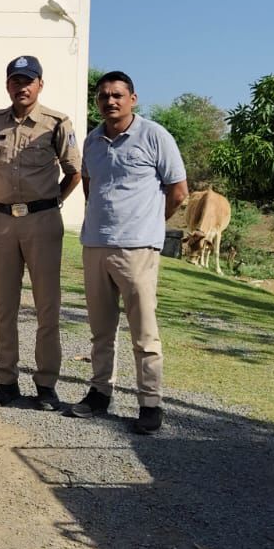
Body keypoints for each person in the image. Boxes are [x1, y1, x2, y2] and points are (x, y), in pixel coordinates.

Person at [67, 71, 189, 434]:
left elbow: (178, 191)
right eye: (103, 96)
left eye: (117, 95)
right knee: (101, 329)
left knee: (144, 332)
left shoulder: (154, 136)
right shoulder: (92, 140)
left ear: (133, 99)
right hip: (96, 245)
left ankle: (150, 403)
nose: (110, 101)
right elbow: (90, 187)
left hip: (137, 248)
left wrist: (150, 225)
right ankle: (99, 392)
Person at [0, 54, 83, 411]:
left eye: (28, 81)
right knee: (3, 306)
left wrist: (52, 201)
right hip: (4, 221)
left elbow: (74, 171)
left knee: (46, 307)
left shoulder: (56, 122)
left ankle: (46, 384)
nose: (21, 87)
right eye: (15, 81)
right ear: (7, 84)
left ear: (40, 84)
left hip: (43, 221)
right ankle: (5, 381)